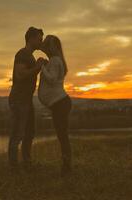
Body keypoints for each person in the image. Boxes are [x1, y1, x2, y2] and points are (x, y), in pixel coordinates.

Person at [8, 27, 45, 172]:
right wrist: (38, 67)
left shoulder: (30, 56)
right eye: (39, 39)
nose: (41, 42)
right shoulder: (22, 54)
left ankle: (27, 163)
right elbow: (20, 75)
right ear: (31, 39)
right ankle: (13, 168)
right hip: (19, 100)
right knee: (17, 134)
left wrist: (39, 65)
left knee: (29, 133)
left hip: (27, 101)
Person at [38, 35, 72, 176]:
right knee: (62, 135)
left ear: (52, 47)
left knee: (62, 136)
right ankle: (66, 166)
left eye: (46, 45)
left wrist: (42, 67)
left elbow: (52, 79)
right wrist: (46, 66)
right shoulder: (55, 61)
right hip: (59, 104)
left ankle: (67, 167)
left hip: (60, 103)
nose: (44, 48)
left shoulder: (55, 60)